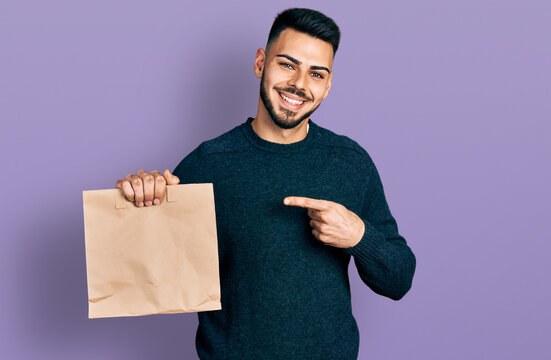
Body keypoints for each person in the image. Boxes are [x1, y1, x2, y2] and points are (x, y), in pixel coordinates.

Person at [115, 8, 416, 360]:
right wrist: (141, 199)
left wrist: (359, 237)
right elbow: (146, 274)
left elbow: (399, 279)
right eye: (287, 64)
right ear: (260, 63)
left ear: (328, 85)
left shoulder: (350, 162)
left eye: (316, 74)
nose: (300, 84)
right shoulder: (209, 162)